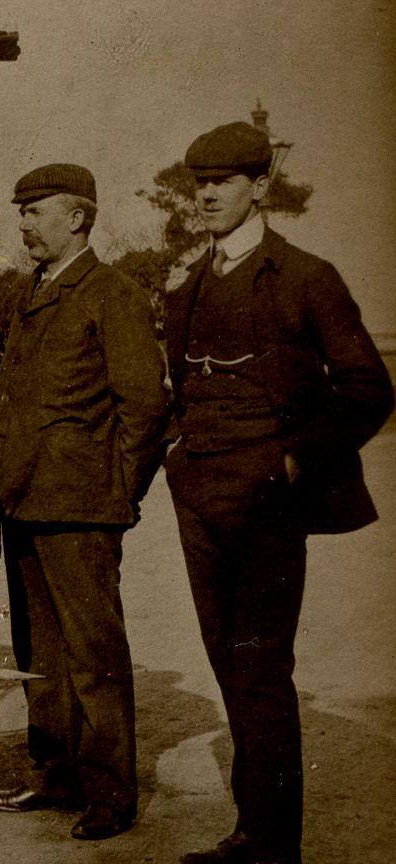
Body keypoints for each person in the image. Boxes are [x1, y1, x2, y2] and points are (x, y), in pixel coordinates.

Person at [164, 123, 392, 864]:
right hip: (199, 494)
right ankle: (250, 831)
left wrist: (295, 461)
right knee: (229, 664)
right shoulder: (191, 279)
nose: (204, 195)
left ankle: (271, 844)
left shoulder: (305, 276)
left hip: (266, 499)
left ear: (260, 187)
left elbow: (366, 389)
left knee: (260, 667)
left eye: (222, 182)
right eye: (198, 182)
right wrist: (176, 457)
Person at [0, 164, 169, 840]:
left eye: (36, 210)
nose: (24, 223)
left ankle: (111, 795)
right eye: (21, 210)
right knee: (41, 655)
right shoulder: (36, 290)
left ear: (77, 219)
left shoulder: (111, 293)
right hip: (26, 499)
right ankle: (55, 774)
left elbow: (146, 406)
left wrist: (115, 490)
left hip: (81, 506)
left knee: (93, 659)